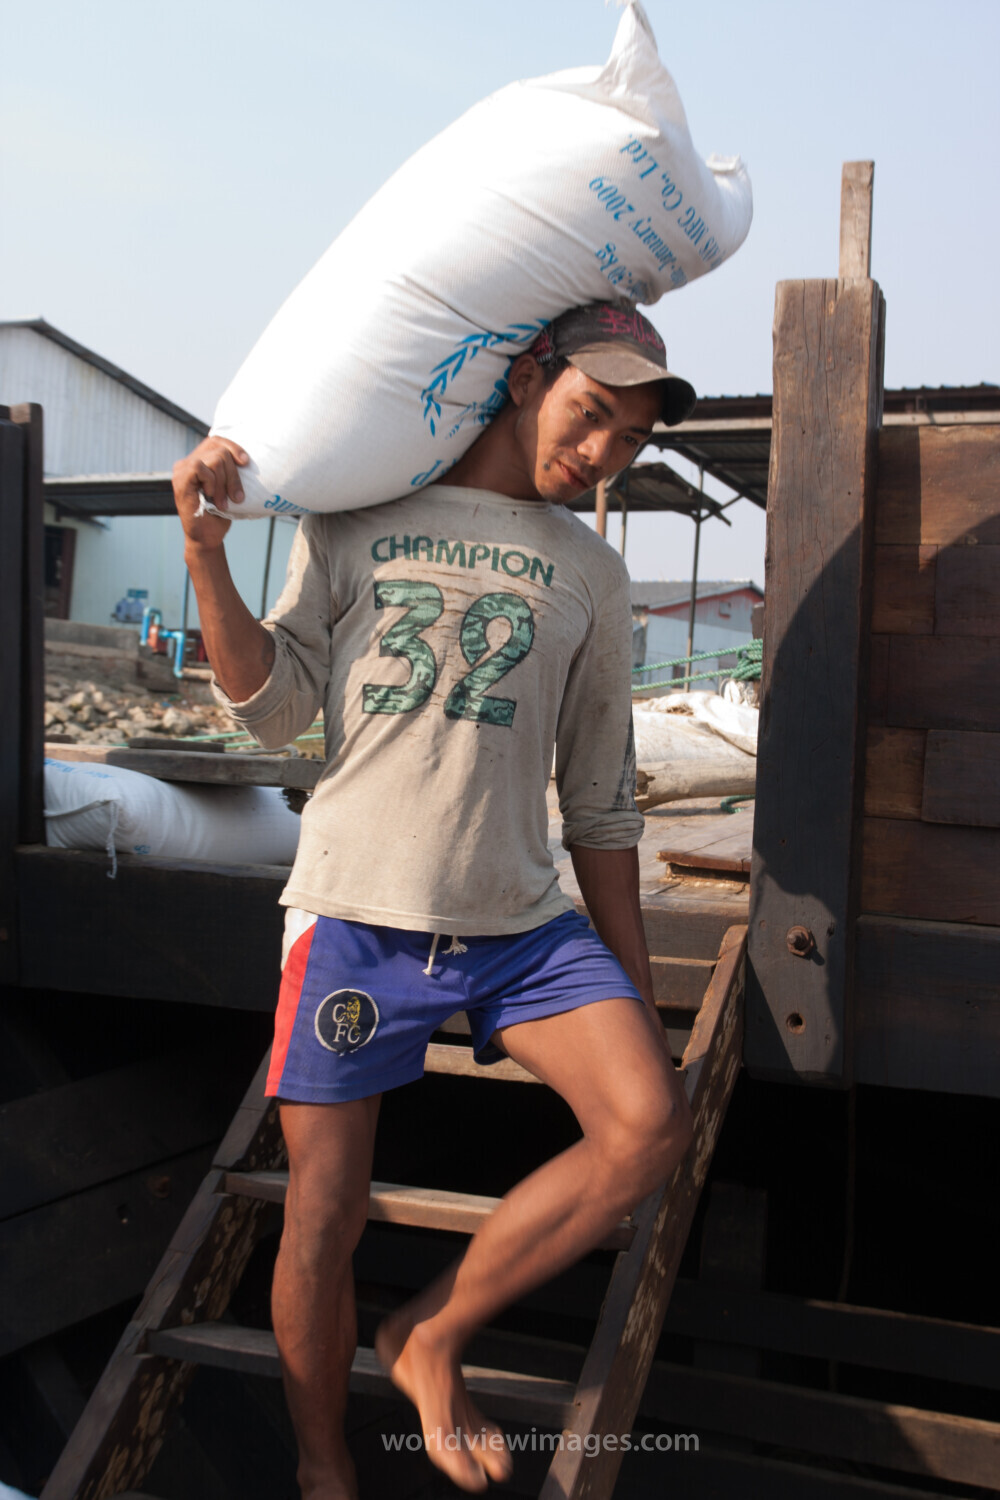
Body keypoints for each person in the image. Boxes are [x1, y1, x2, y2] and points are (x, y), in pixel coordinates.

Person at [172, 301, 697, 1499]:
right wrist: (205, 556)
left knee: (647, 1124)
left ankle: (428, 1332)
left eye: (626, 440)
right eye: (590, 415)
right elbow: (273, 706)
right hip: (357, 918)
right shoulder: (361, 516)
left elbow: (603, 804)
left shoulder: (592, 574)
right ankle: (322, 1469)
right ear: (528, 379)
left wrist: (635, 990)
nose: (601, 452)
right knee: (323, 1214)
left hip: (517, 922)